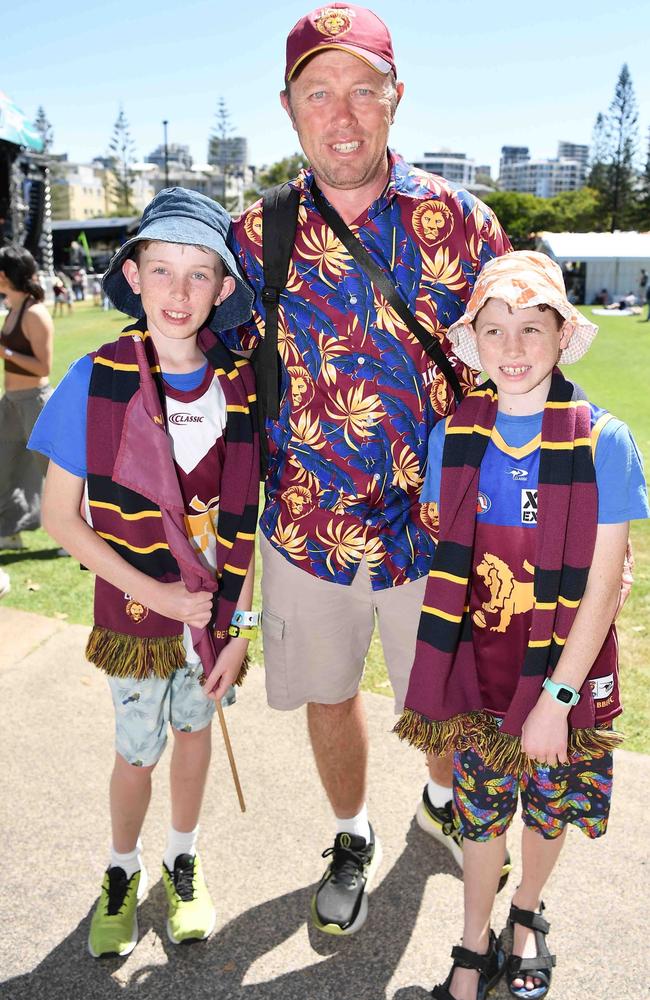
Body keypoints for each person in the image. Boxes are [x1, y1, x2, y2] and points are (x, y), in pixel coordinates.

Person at [221, 3, 512, 936]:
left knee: (445, 698)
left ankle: (440, 799)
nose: (341, 116)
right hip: (305, 525)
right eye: (319, 93)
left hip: (435, 527)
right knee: (330, 693)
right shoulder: (249, 236)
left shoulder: (462, 223)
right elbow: (209, 377)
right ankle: (351, 833)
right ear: (288, 107)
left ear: (396, 99)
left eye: (362, 91)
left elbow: (528, 373)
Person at [396, 251, 649, 1000]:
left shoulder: (603, 441)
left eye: (531, 328)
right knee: (479, 818)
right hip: (480, 674)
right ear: (474, 340)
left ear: (560, 337)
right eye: (495, 330)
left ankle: (527, 914)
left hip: (562, 680)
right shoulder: (453, 436)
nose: (513, 348)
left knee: (548, 806)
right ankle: (474, 939)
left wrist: (558, 701)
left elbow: (608, 583)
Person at [28, 187, 260, 958]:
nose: (179, 292)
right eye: (161, 269)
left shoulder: (243, 386)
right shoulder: (93, 380)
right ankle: (122, 870)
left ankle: (182, 859)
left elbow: (247, 521)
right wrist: (156, 592)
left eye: (200, 275)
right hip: (136, 613)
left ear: (225, 289)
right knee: (138, 747)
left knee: (195, 732)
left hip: (213, 618)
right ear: (132, 274)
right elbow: (62, 517)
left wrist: (239, 630)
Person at [0, 246, 54, 551]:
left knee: (54, 473)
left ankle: (82, 538)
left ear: (5, 275)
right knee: (4, 467)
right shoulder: (12, 307)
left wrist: (4, 352)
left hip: (34, 402)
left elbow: (42, 367)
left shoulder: (35, 313)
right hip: (10, 402)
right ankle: (10, 531)